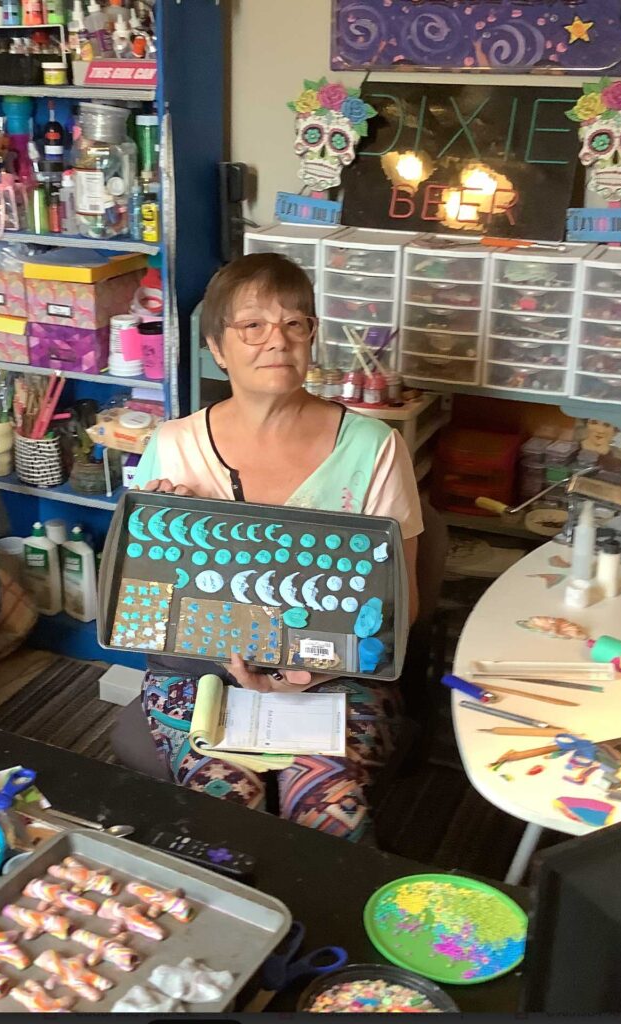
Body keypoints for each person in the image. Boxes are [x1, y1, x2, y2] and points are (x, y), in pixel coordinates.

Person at [132, 252, 422, 842]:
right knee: (222, 811)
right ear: (216, 346)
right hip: (202, 674)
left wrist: (312, 672)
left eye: (296, 323)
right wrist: (159, 534)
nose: (277, 340)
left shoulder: (374, 447)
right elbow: (147, 607)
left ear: (311, 337)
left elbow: (401, 605)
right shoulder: (173, 446)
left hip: (340, 677)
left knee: (326, 807)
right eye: (253, 326)